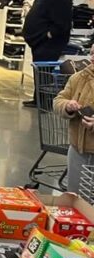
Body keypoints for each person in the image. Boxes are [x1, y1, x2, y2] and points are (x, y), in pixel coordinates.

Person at [23, 0, 74, 107]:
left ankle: (43, 102)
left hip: (48, 43)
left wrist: (48, 35)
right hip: (40, 42)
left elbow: (62, 22)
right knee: (40, 71)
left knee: (44, 72)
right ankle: (38, 99)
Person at [54, 46, 94, 192]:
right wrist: (67, 105)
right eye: (92, 53)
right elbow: (58, 100)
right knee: (75, 196)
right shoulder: (78, 78)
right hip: (78, 150)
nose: (93, 58)